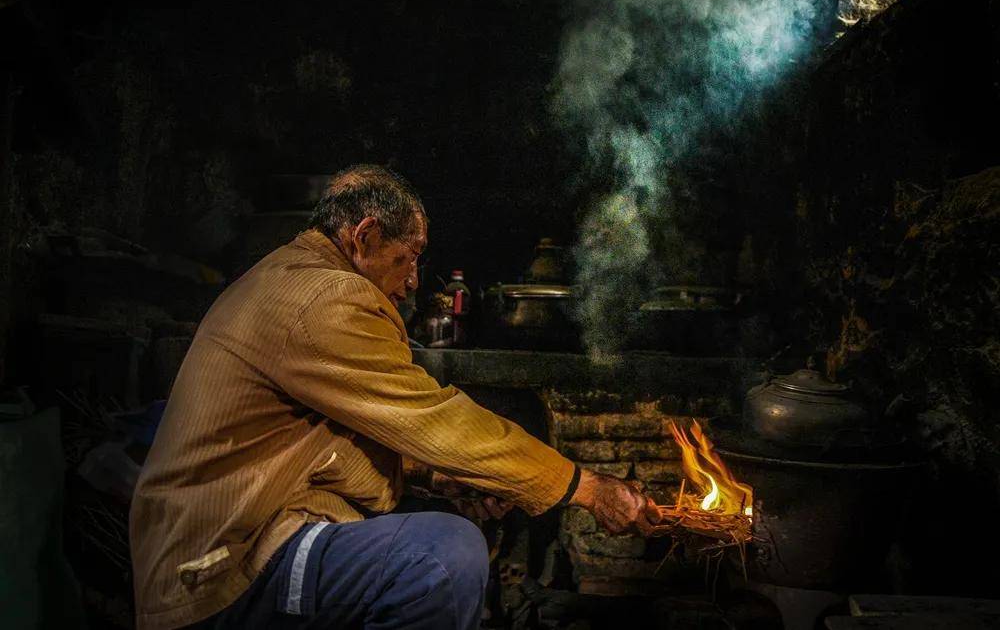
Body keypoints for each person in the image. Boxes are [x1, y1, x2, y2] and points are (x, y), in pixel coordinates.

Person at [129, 164, 660, 630]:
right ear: (364, 235)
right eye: (408, 258)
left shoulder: (288, 278)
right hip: (224, 566)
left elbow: (332, 436)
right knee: (443, 554)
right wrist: (585, 487)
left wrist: (434, 476)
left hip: (223, 549)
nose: (411, 282)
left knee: (429, 523)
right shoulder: (326, 296)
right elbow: (436, 420)